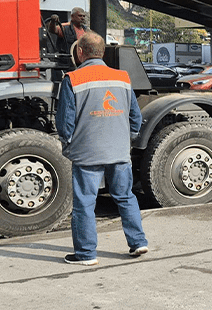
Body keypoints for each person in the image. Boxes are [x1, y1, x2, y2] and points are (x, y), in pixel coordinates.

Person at [57, 31, 148, 265]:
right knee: (125, 196)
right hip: (118, 152)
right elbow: (135, 117)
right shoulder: (122, 78)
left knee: (85, 203)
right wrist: (126, 140)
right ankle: (138, 243)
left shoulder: (73, 79)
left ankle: (86, 254)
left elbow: (65, 123)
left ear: (79, 52)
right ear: (103, 52)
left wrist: (67, 145)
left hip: (87, 153)